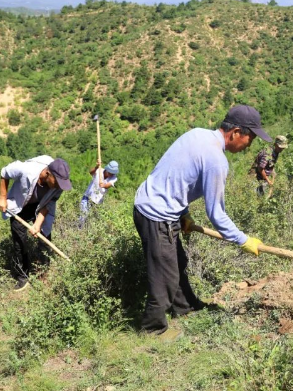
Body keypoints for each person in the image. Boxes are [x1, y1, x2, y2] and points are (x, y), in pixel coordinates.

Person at [134, 104, 272, 336]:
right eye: (250, 138)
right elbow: (216, 214)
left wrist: (184, 213)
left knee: (177, 262)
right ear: (236, 132)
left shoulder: (197, 134)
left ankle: (185, 307)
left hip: (152, 204)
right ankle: (152, 329)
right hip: (157, 215)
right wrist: (243, 240)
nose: (250, 145)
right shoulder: (216, 160)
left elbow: (178, 176)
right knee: (164, 277)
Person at [0, 156, 72, 291]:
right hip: (21, 205)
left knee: (45, 237)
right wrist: (2, 197)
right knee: (19, 241)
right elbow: (4, 172)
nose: (59, 186)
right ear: (48, 173)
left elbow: (50, 203)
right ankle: (22, 276)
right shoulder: (26, 170)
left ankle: (43, 272)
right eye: (57, 182)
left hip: (41, 205)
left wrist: (37, 224)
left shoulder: (58, 185)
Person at [80, 160, 119, 226]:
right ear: (107, 170)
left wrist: (103, 185)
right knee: (83, 216)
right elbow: (90, 172)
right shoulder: (99, 170)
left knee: (93, 220)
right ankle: (80, 231)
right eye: (110, 173)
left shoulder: (114, 178)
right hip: (87, 197)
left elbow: (108, 185)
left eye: (113, 173)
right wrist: (96, 167)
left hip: (98, 201)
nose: (111, 174)